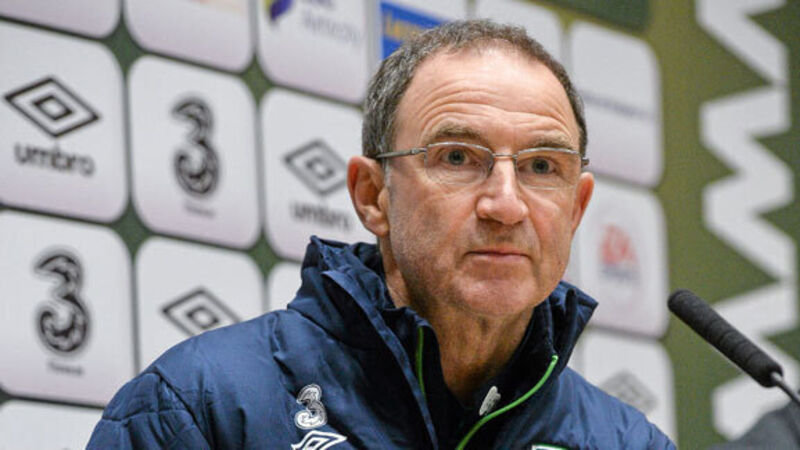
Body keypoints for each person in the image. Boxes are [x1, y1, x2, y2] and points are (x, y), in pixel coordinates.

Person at [88, 20, 674, 449]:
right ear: (373, 195)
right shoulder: (199, 406)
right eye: (457, 157)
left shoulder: (626, 443)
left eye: (542, 166)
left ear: (576, 207)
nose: (505, 204)